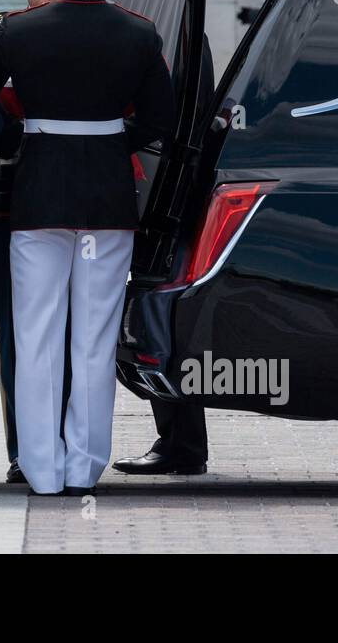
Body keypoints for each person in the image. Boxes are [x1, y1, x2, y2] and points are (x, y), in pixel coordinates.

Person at [0, 0, 177, 497]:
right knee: (92, 338)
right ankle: (83, 466)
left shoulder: (18, 31)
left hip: (40, 195)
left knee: (36, 333)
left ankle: (41, 470)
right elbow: (162, 121)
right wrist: (111, 139)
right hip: (108, 198)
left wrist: (14, 140)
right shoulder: (140, 35)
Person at [0, 0, 61, 484]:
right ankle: (23, 446)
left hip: (71, 198)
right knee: (16, 326)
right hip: (12, 199)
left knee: (76, 326)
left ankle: (61, 437)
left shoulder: (98, 28)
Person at [112, 35, 216, 478]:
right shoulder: (169, 27)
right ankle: (179, 439)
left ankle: (182, 441)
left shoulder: (171, 31)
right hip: (166, 192)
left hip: (170, 197)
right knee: (156, 316)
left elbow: (174, 115)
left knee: (158, 317)